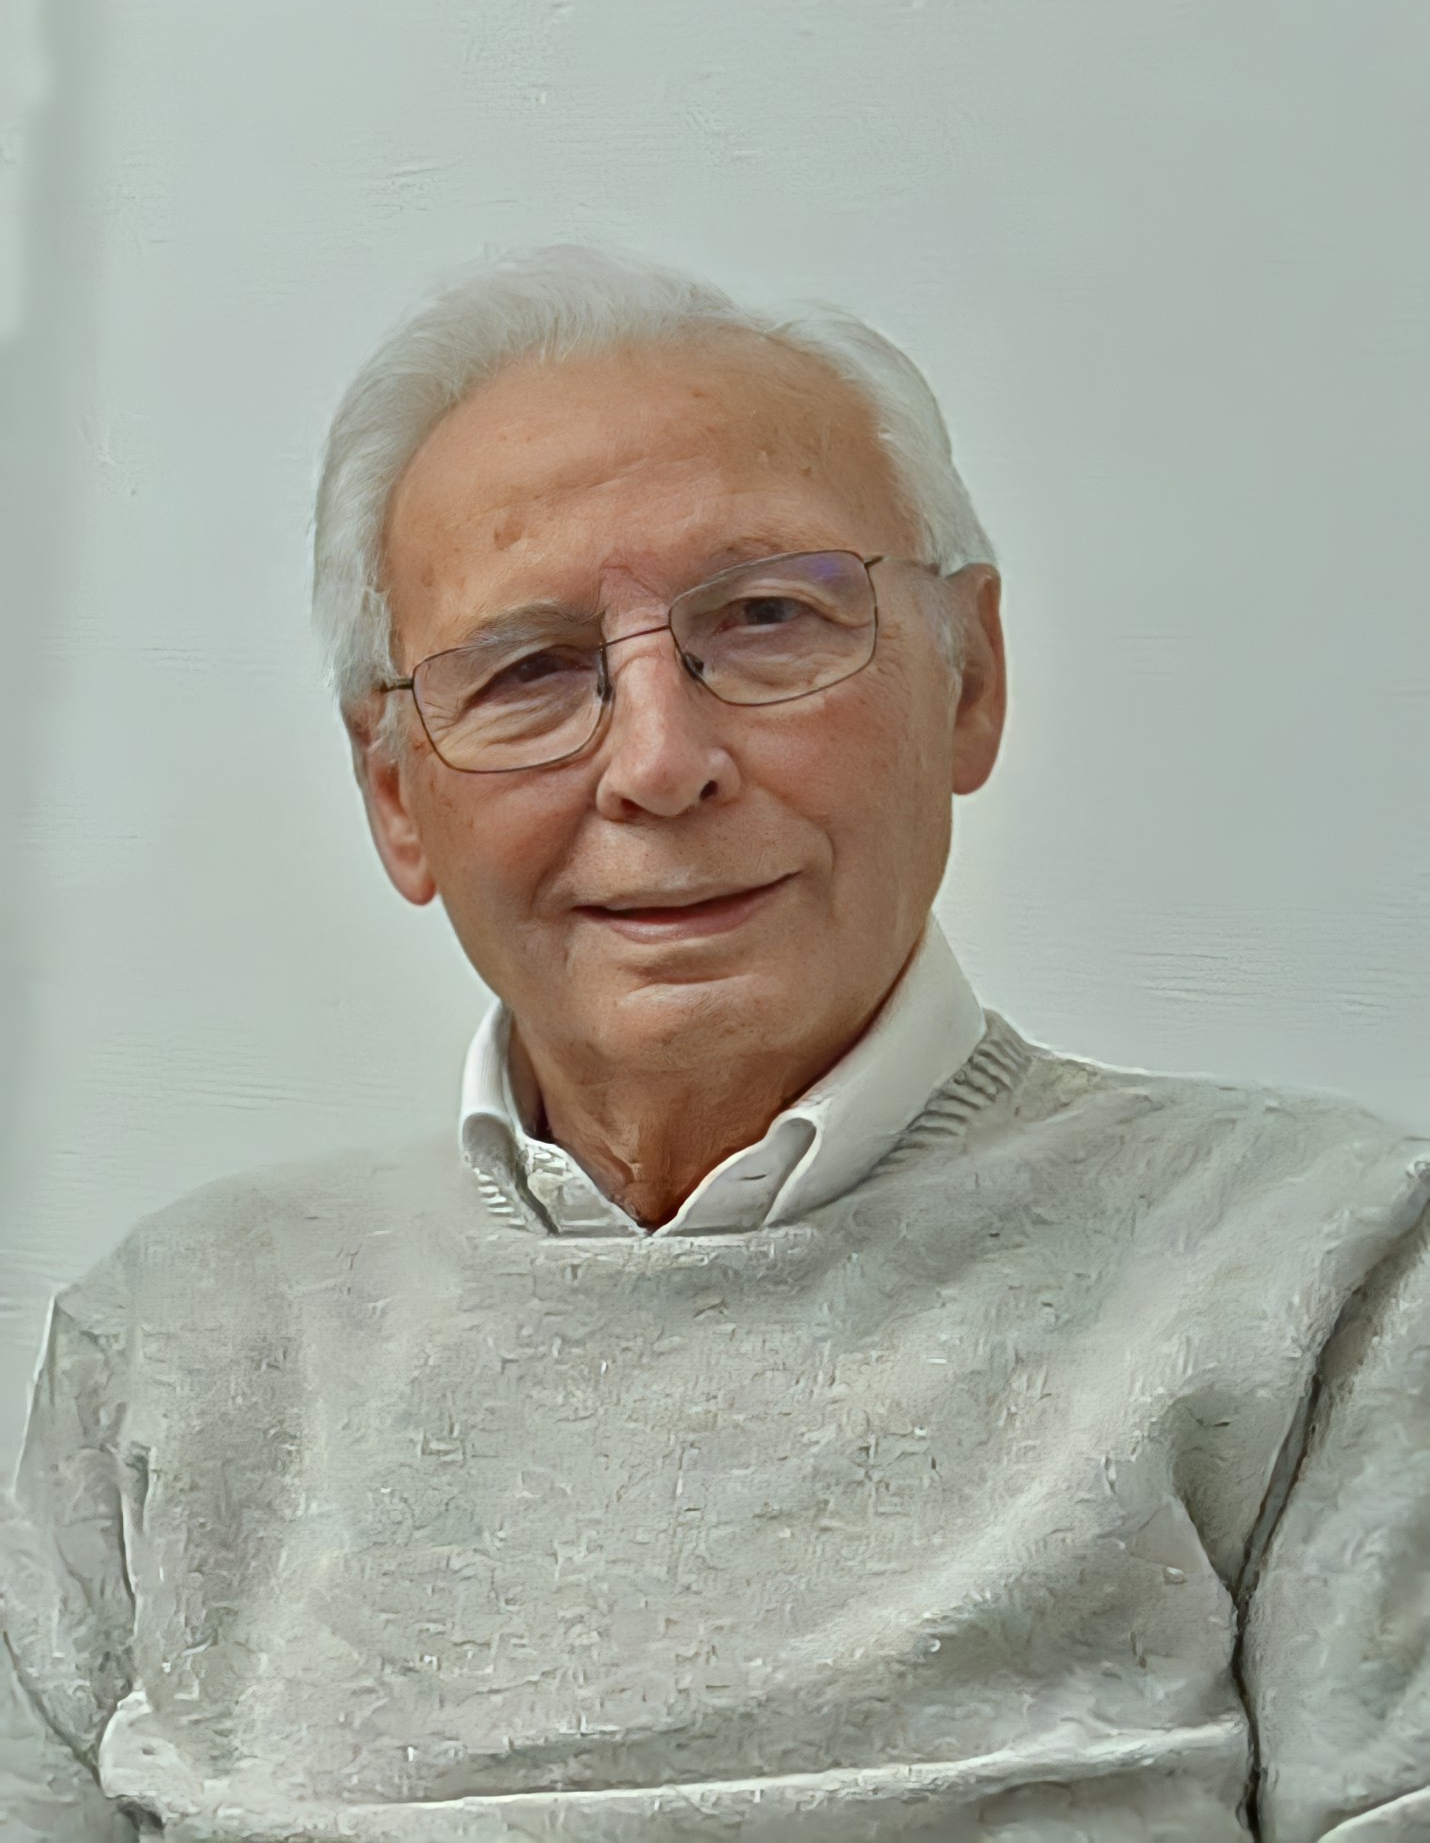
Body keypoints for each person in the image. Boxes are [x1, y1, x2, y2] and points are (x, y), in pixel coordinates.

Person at [2, 245, 1427, 1843]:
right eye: (529, 669)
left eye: (764, 620)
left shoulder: (1326, 1268)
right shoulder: (177, 1342)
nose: (660, 761)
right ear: (396, 792)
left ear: (969, 678)